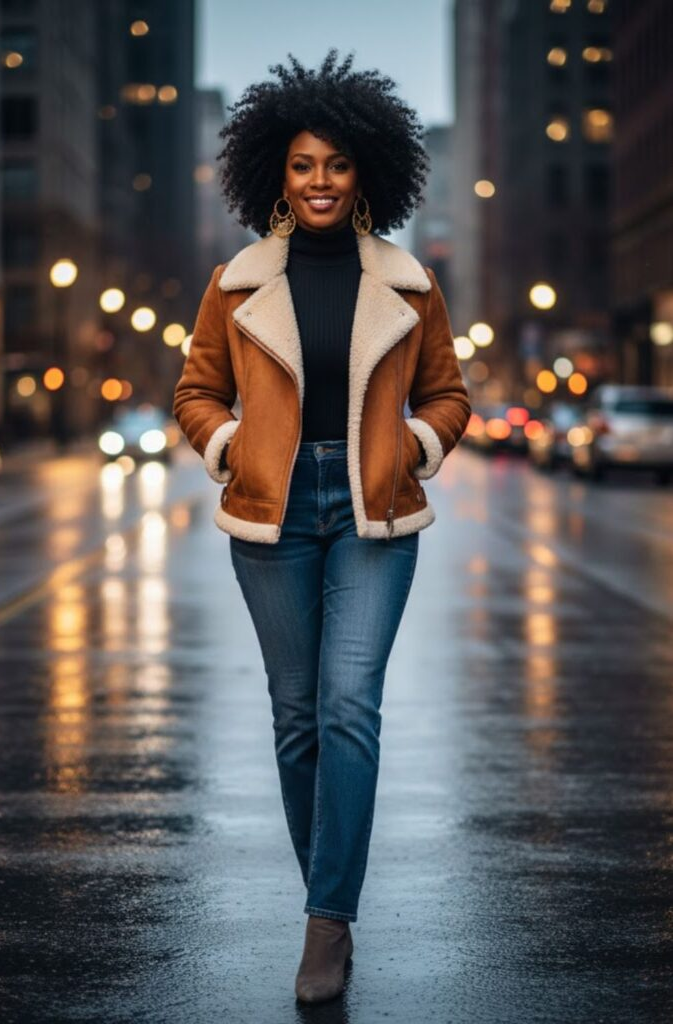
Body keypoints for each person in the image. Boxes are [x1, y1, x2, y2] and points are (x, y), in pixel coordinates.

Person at [172, 49, 471, 1005]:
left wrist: (412, 447)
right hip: (274, 513)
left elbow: (450, 395)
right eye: (302, 165)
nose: (318, 182)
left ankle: (325, 923)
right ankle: (328, 897)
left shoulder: (412, 283)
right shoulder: (234, 283)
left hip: (373, 512)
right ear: (276, 174)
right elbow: (194, 390)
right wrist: (231, 450)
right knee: (296, 718)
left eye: (336, 165)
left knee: (348, 706)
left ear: (366, 174)